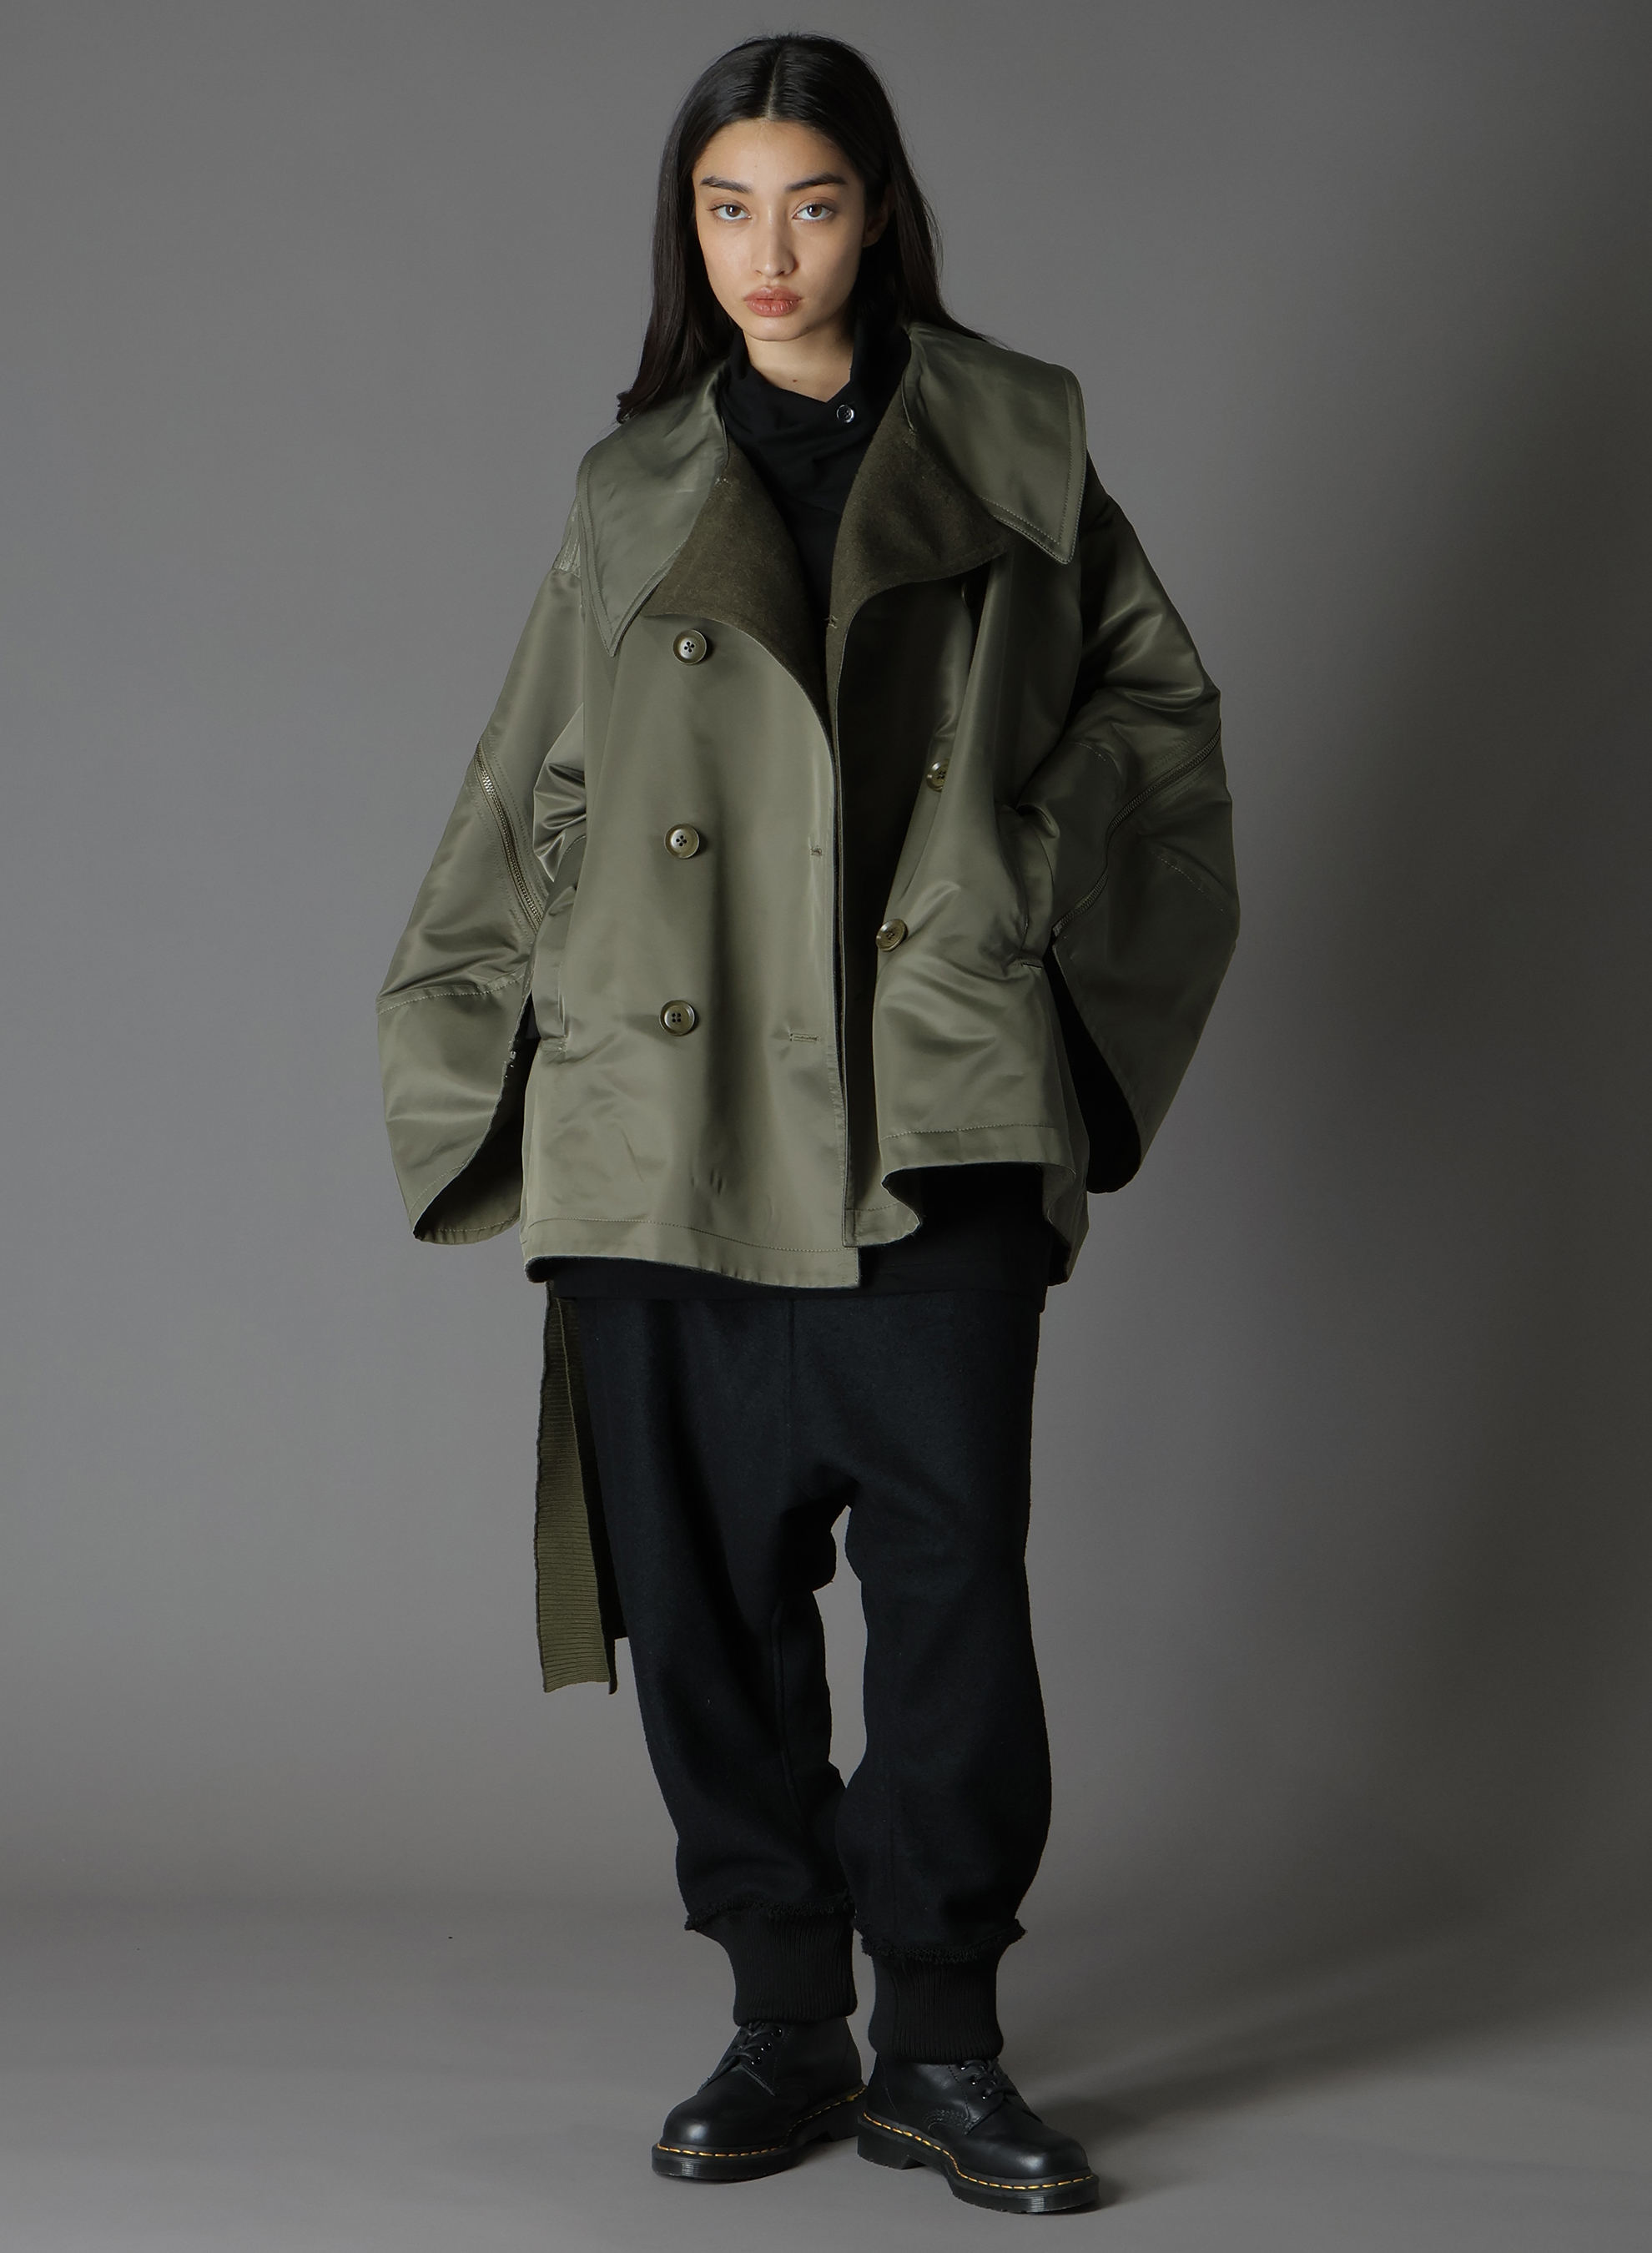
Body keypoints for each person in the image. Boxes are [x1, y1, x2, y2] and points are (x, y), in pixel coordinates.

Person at [377, 32, 1236, 2219]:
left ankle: (940, 2041)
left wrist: (1013, 896)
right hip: (662, 1124)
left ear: (878, 215)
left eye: (814, 203)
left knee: (951, 1609)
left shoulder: (1014, 447)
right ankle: (784, 2021)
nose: (769, 252)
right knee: (704, 1600)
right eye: (726, 207)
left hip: (922, 1126)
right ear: (688, 231)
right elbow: (524, 782)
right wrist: (479, 1055)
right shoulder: (629, 489)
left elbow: (1155, 719)